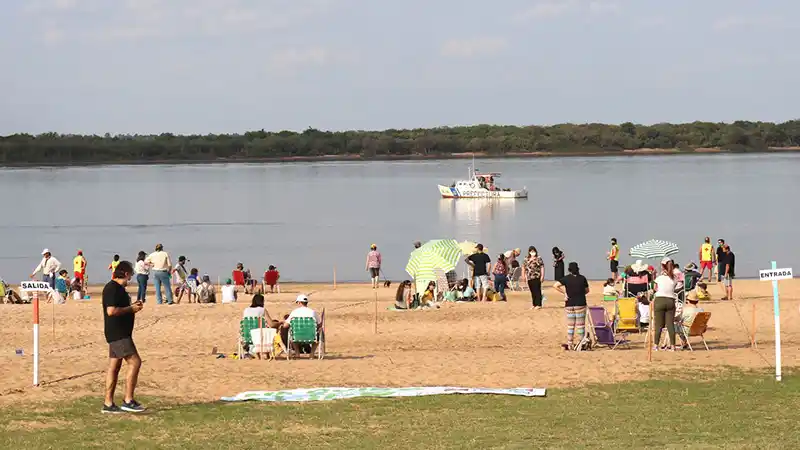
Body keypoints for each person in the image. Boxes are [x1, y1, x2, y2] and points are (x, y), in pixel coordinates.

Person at [101, 261, 145, 414]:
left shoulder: (118, 290)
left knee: (114, 367)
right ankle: (128, 400)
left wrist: (133, 308)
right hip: (118, 334)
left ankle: (108, 403)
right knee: (135, 362)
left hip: (119, 334)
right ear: (126, 274)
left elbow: (120, 308)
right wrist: (130, 308)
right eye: (130, 276)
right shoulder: (112, 288)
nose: (130, 280)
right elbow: (111, 311)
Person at [553, 262, 589, 351]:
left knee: (570, 325)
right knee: (580, 325)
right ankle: (581, 342)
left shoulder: (566, 279)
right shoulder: (582, 278)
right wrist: (580, 293)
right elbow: (587, 290)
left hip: (569, 304)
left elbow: (555, 285)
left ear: (569, 270)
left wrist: (565, 293)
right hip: (580, 303)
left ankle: (570, 344)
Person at [652, 257, 678, 351]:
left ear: (663, 266)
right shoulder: (674, 278)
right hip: (671, 300)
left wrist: (655, 276)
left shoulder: (659, 278)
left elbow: (655, 289)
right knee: (670, 324)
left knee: (658, 325)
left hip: (660, 300)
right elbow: (673, 287)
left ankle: (655, 345)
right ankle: (673, 346)